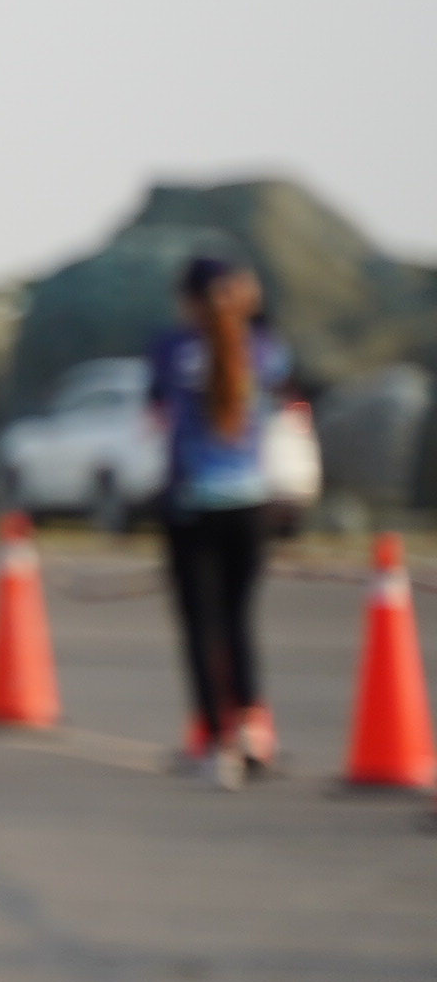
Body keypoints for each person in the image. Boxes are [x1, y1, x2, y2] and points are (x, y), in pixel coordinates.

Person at [148, 252, 291, 784]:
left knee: (200, 628)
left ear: (188, 301)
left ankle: (217, 742)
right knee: (237, 622)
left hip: (193, 504)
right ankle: (253, 730)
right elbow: (283, 382)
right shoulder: (264, 348)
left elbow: (156, 409)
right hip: (251, 503)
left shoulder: (171, 348)